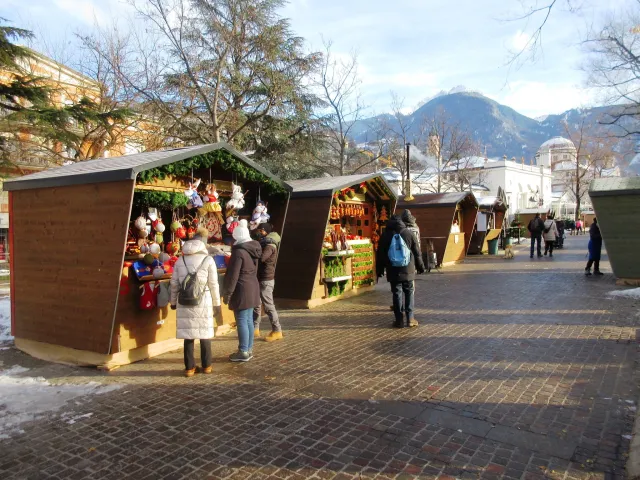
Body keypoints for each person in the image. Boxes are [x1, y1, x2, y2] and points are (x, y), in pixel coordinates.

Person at [170, 236, 221, 377]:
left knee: (188, 335)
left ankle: (189, 368)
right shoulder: (208, 260)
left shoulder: (180, 260)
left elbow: (174, 283)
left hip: (184, 300)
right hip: (203, 299)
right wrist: (217, 303)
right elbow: (213, 284)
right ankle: (207, 366)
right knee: (204, 334)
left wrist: (173, 302)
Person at [223, 219, 262, 362]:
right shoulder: (253, 248)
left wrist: (227, 293)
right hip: (252, 286)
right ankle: (248, 348)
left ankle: (243, 350)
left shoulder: (239, 251)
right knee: (248, 320)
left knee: (241, 320)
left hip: (242, 289)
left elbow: (233, 275)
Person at [376, 214, 425, 329]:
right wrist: (421, 266)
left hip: (393, 270)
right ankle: (410, 318)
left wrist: (380, 270)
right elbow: (417, 252)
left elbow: (381, 255)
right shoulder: (409, 233)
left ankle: (399, 320)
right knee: (409, 292)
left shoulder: (386, 235)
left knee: (396, 293)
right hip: (408, 269)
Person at [253, 226, 283, 342]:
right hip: (261, 278)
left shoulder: (270, 245)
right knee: (257, 304)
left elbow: (261, 258)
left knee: (268, 306)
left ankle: (277, 330)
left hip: (266, 279)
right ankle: (255, 328)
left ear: (266, 231)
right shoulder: (266, 243)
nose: (259, 232)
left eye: (261, 230)